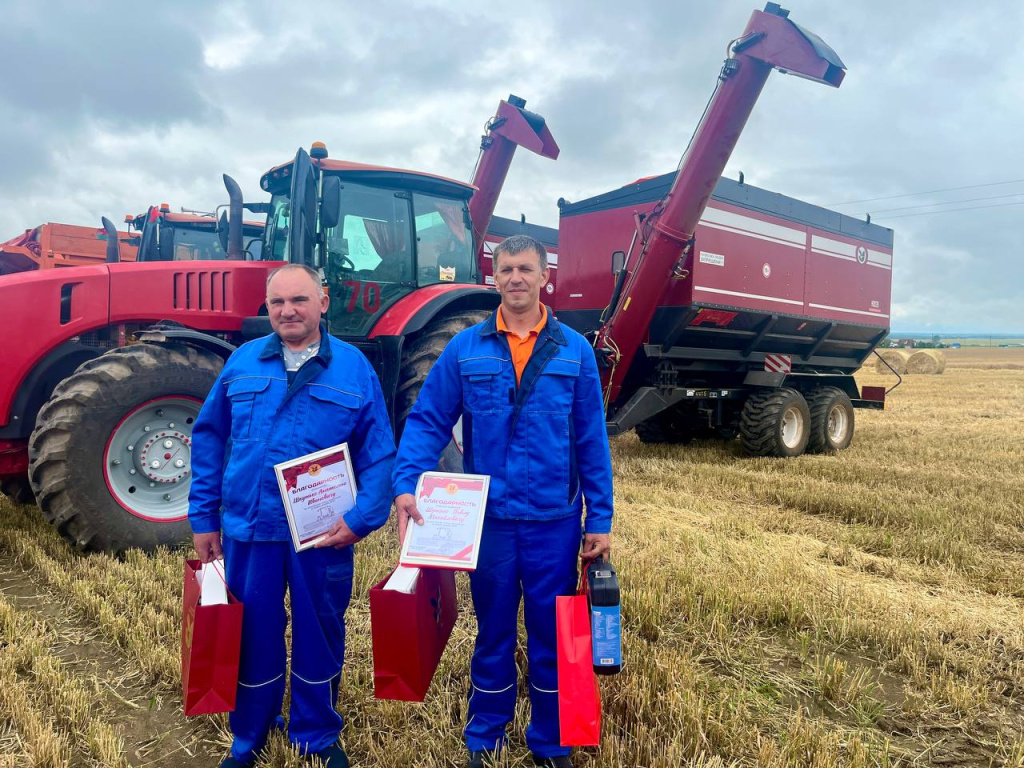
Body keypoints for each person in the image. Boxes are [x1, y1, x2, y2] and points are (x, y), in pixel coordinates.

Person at [392, 235, 614, 768]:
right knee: (491, 631)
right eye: (507, 269)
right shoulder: (465, 349)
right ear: (494, 277)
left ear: (544, 278)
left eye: (526, 269)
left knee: (549, 632)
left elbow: (592, 439)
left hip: (554, 524)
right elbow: (427, 420)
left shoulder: (575, 351)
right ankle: (485, 735)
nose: (516, 278)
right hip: (488, 522)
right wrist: (405, 483)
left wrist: (599, 518)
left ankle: (551, 740)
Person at [189, 263, 396, 768]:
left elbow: (380, 454)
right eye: (277, 302)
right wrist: (203, 518)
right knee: (252, 632)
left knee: (319, 631)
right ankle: (249, 735)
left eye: (299, 300)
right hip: (249, 527)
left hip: (322, 535)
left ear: (323, 302)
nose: (288, 311)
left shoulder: (353, 369)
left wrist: (362, 518)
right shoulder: (241, 363)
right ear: (267, 305)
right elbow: (209, 437)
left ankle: (316, 733)